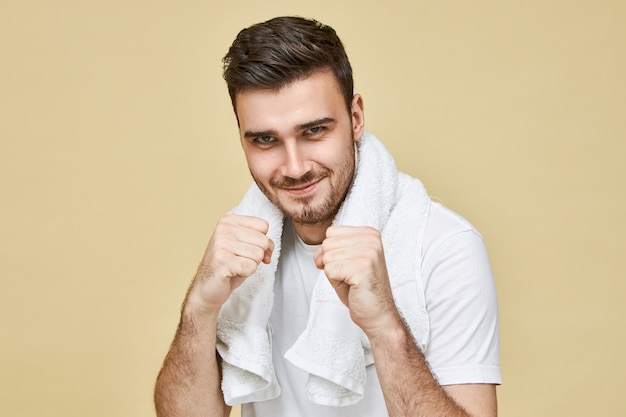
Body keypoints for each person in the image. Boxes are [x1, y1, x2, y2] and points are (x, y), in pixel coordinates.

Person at [154, 16, 501, 417]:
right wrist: (199, 307)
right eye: (265, 140)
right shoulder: (242, 249)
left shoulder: (444, 246)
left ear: (355, 117)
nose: (295, 167)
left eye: (315, 131)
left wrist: (385, 326)